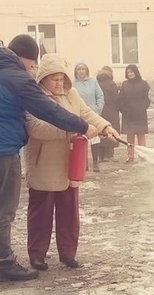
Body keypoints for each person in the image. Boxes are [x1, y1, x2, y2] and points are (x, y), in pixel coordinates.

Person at [0, 34, 99, 283]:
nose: (32, 69)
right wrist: (80, 125)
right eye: (32, 64)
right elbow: (46, 110)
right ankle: (6, 264)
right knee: (1, 212)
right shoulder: (16, 76)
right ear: (24, 58)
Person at [25, 54, 119, 270]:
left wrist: (106, 127)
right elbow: (35, 127)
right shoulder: (35, 98)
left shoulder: (72, 94)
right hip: (44, 165)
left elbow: (87, 114)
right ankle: (37, 254)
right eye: (53, 79)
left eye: (61, 79)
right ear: (43, 80)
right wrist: (70, 129)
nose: (59, 84)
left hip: (71, 162)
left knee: (69, 211)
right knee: (42, 212)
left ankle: (68, 253)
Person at [72, 61, 104, 172]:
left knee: (94, 137)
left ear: (86, 70)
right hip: (79, 116)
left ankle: (95, 162)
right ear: (76, 71)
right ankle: (83, 163)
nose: (81, 71)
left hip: (92, 114)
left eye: (83, 69)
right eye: (79, 69)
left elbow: (100, 96)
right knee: (82, 139)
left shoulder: (93, 82)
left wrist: (98, 108)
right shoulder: (72, 84)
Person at [118, 64, 150, 163]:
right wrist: (123, 109)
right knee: (129, 136)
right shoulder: (124, 84)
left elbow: (147, 98)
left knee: (141, 135)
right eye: (128, 72)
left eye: (132, 72)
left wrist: (143, 107)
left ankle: (143, 155)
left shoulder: (143, 84)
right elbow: (121, 99)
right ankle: (130, 156)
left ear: (136, 72)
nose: (130, 74)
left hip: (140, 113)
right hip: (128, 115)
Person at [96, 65, 120, 162]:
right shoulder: (111, 83)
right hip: (111, 111)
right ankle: (109, 154)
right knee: (111, 131)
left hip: (100, 111)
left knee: (101, 131)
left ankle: (100, 155)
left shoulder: (96, 83)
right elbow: (116, 98)